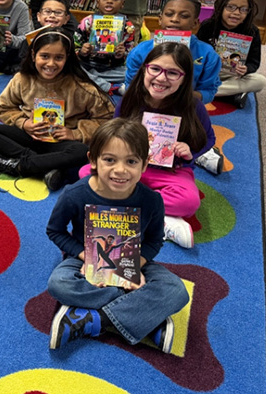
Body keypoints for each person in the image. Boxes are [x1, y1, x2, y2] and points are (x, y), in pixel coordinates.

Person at [46, 118, 189, 352]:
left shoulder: (152, 200)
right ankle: (147, 316)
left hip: (136, 261)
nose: (120, 170)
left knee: (177, 291)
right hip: (85, 260)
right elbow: (55, 231)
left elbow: (154, 240)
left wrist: (133, 270)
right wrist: (86, 258)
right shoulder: (74, 194)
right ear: (93, 160)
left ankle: (92, 320)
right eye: (109, 160)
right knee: (59, 283)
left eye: (131, 161)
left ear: (144, 165)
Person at [0, 28, 114, 192]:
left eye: (59, 58)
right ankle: (44, 166)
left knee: (82, 152)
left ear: (67, 58)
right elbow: (4, 107)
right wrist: (24, 123)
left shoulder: (81, 86)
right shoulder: (22, 79)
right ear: (33, 56)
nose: (51, 64)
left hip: (61, 144)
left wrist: (75, 133)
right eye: (44, 56)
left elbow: (107, 119)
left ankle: (17, 165)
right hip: (28, 137)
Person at [111, 42, 216, 248]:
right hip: (131, 167)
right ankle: (159, 215)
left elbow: (208, 138)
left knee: (189, 201)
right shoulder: (131, 99)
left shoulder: (193, 106)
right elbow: (114, 132)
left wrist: (190, 152)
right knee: (87, 174)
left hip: (172, 172)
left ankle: (126, 203)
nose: (161, 78)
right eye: (155, 69)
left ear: (184, 78)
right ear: (145, 70)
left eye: (172, 73)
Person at [125, 0, 222, 175]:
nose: (175, 19)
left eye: (184, 16)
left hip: (185, 108)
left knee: (192, 138)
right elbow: (131, 86)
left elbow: (209, 90)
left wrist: (187, 96)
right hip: (147, 105)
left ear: (195, 23)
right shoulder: (141, 50)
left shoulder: (207, 54)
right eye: (169, 14)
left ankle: (201, 155)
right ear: (160, 19)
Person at [196, 0, 266, 109]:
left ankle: (204, 92)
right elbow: (197, 54)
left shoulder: (252, 31)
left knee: (260, 81)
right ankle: (230, 95)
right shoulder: (208, 26)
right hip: (209, 72)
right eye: (231, 7)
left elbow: (254, 62)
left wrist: (246, 69)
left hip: (233, 75)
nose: (237, 13)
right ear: (221, 8)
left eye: (243, 9)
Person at [74, 0, 137, 94]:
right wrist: (82, 51)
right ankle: (111, 87)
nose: (109, 1)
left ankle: (94, 81)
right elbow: (75, 46)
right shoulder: (87, 22)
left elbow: (129, 52)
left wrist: (121, 54)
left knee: (136, 74)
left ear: (122, 3)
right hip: (88, 64)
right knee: (72, 67)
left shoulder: (128, 27)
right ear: (98, 2)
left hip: (113, 68)